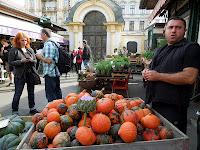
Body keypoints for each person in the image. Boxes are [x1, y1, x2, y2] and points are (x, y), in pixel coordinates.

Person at [142, 17, 200, 134]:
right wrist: (146, 72)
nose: (173, 30)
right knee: (156, 139)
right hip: (154, 104)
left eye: (178, 27)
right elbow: (152, 69)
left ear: (185, 31)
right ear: (165, 30)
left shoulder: (191, 48)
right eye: (170, 27)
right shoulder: (161, 50)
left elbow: (189, 77)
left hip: (174, 109)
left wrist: (158, 76)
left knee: (171, 140)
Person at [8, 32, 39, 115]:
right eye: (22, 40)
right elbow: (10, 62)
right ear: (17, 40)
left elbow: (36, 61)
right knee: (18, 92)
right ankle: (15, 111)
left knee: (31, 92)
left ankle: (32, 108)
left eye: (26, 40)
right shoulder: (13, 50)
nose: (24, 42)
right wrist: (21, 61)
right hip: (20, 74)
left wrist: (31, 60)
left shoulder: (30, 49)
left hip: (30, 73)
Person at [36, 28, 62, 102]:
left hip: (50, 72)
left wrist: (39, 56)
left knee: (51, 95)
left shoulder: (48, 44)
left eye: (40, 34)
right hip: (55, 72)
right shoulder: (53, 43)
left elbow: (49, 60)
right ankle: (59, 109)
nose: (40, 36)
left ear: (44, 34)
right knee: (57, 94)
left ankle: (53, 109)